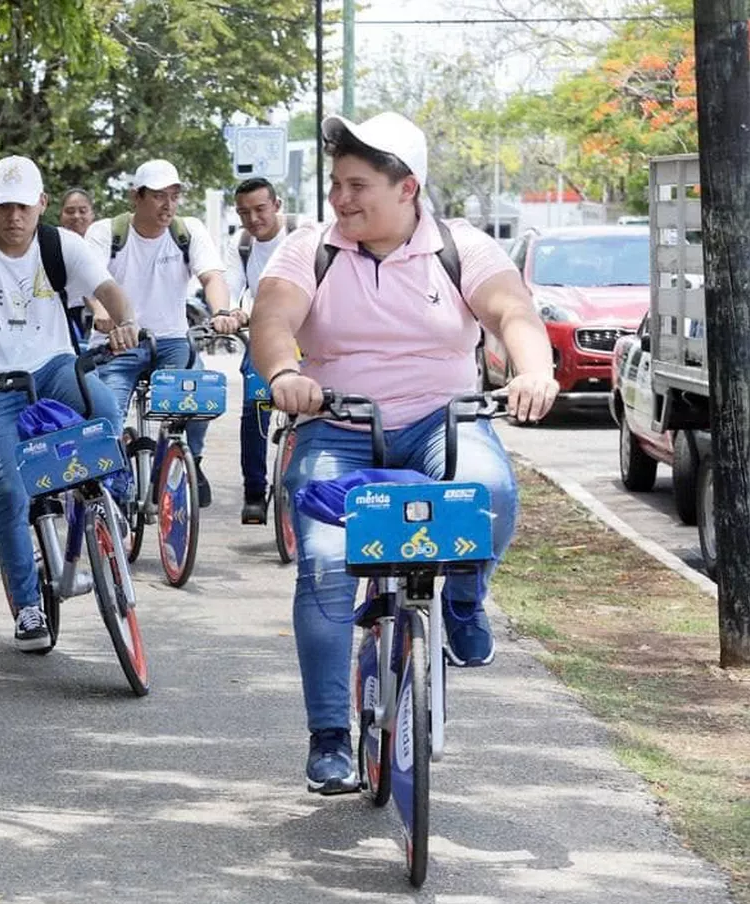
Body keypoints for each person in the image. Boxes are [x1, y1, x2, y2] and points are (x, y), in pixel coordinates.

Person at [249, 111, 558, 794]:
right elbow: (272, 317)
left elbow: (513, 314)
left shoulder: (461, 247)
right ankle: (330, 735)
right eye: (336, 184)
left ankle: (466, 598)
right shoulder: (312, 248)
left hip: (440, 424)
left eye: (358, 185)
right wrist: (285, 376)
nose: (341, 199)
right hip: (336, 427)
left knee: (490, 494)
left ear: (408, 188)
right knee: (328, 567)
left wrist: (535, 370)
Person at [0, 155, 141, 651]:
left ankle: (115, 499)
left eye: (23, 205)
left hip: (52, 367)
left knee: (105, 408)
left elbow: (111, 291)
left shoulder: (60, 244)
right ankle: (27, 606)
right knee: (10, 492)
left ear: (41, 203)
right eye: (4, 207)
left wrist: (125, 321)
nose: (14, 217)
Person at [85, 159, 236, 507]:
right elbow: (89, 281)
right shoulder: (107, 233)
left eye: (174, 195)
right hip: (118, 342)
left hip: (170, 342)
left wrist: (222, 313)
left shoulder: (188, 231)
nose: (168, 205)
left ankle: (189, 460)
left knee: (200, 393)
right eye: (158, 196)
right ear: (136, 197)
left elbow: (212, 277)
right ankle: (113, 490)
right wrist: (101, 312)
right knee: (106, 412)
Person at [221, 177, 296, 525]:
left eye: (260, 209)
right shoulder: (242, 246)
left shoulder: (303, 235)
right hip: (265, 334)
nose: (253, 219)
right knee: (254, 407)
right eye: (244, 212)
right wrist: (229, 312)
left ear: (277, 205)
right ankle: (254, 492)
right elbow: (230, 287)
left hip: (309, 335)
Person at [58, 187, 101, 349]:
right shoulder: (52, 244)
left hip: (99, 317)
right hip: (64, 314)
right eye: (70, 211)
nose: (76, 216)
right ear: (61, 215)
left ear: (92, 214)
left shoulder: (105, 244)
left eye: (82, 211)